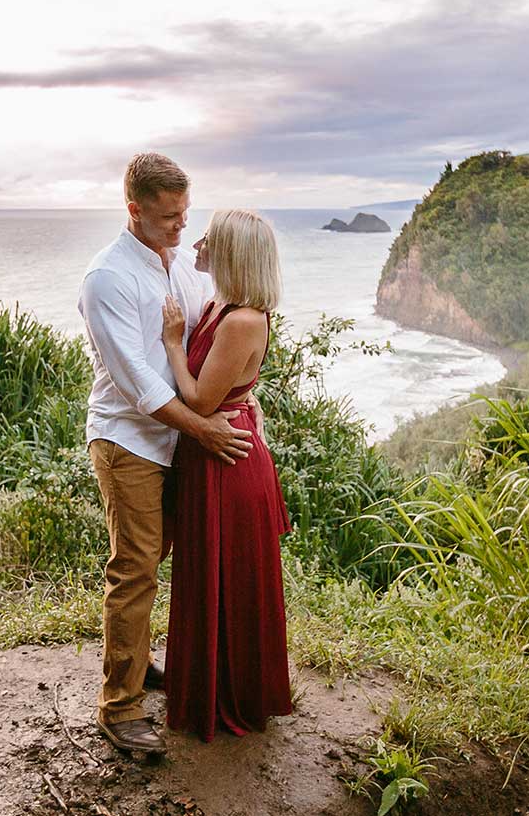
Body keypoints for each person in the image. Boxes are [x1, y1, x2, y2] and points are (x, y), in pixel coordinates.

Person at [78, 153, 257, 755]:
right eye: (169, 218)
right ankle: (120, 706)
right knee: (135, 569)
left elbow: (227, 323)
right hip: (130, 439)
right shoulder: (108, 279)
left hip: (180, 442)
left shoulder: (180, 265)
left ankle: (141, 665)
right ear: (134, 210)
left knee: (166, 559)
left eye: (186, 214)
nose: (182, 227)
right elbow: (140, 385)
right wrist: (206, 431)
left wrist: (242, 392)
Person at [161, 208, 293, 742]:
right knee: (207, 575)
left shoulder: (243, 319)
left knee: (230, 580)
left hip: (227, 464)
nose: (198, 242)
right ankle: (206, 686)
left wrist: (173, 342)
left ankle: (230, 696)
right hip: (211, 451)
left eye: (209, 239)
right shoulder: (221, 303)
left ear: (232, 253)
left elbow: (199, 397)